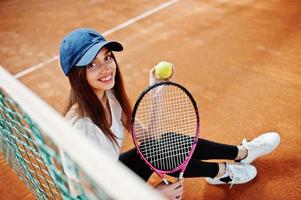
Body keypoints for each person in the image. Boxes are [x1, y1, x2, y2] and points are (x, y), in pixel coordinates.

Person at [59, 28, 281, 199]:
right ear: (77, 75)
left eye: (107, 58)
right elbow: (91, 194)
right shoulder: (81, 127)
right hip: (101, 192)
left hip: (111, 175)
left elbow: (150, 140)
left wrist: (156, 93)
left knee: (163, 146)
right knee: (162, 153)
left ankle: (240, 154)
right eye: (92, 65)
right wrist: (153, 195)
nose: (106, 68)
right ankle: (223, 171)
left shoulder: (109, 97)